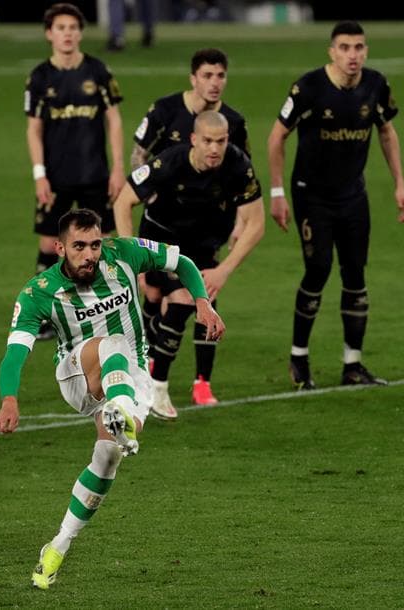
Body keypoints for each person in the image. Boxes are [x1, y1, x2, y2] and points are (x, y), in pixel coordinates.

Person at [0, 209, 224, 589]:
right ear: (59, 248)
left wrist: (202, 301)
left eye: (95, 244)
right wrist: (9, 399)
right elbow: (16, 353)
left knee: (107, 458)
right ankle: (119, 412)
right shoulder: (38, 293)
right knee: (113, 344)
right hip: (77, 374)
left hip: (131, 377)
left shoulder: (124, 254)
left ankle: (57, 547)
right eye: (79, 246)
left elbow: (180, 261)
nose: (89, 254)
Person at [267, 20, 404, 390]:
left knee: (356, 275)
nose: (353, 55)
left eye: (359, 47)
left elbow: (386, 130)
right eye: (345, 47)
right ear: (332, 51)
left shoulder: (376, 85)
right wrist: (278, 192)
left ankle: (353, 365)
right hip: (311, 195)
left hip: (353, 195)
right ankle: (299, 358)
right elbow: (277, 136)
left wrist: (400, 184)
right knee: (318, 270)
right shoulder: (309, 88)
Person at [115, 110, 264, 417]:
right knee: (161, 298)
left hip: (204, 245)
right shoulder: (168, 162)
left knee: (188, 301)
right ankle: (148, 376)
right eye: (208, 141)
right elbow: (123, 201)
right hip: (161, 240)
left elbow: (256, 224)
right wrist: (131, 256)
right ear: (194, 139)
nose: (214, 148)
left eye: (221, 141)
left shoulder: (238, 166)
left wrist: (224, 270)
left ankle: (155, 384)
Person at [128, 48, 252, 415]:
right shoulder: (166, 110)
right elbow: (139, 154)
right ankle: (149, 369)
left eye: (221, 75)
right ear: (193, 78)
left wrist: (240, 221)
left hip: (207, 224)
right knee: (153, 293)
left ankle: (197, 381)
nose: (215, 83)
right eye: (208, 75)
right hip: (163, 222)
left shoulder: (232, 121)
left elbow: (241, 171)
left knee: (198, 295)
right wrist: (146, 187)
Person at [25, 3, 126, 339]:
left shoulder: (97, 71)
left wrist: (118, 167)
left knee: (105, 242)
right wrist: (39, 173)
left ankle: (108, 308)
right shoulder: (40, 77)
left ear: (80, 33)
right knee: (48, 244)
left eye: (72, 28)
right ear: (49, 34)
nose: (67, 34)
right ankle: (45, 314)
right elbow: (34, 128)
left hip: (96, 174)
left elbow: (113, 119)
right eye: (61, 28)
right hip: (56, 177)